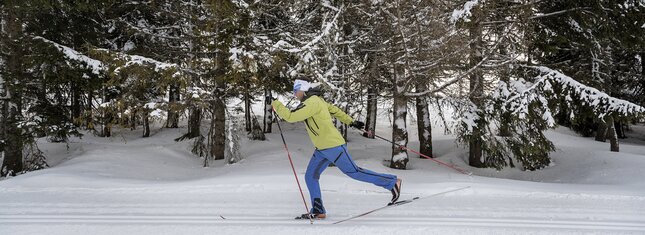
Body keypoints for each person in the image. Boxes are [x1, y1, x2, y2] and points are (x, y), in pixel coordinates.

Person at [270, 79, 402, 220]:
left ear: (303, 90)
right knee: (310, 176)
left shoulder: (312, 102)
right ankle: (318, 209)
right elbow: (334, 110)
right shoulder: (316, 101)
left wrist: (275, 103)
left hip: (333, 146)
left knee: (354, 172)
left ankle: (392, 183)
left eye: (296, 91)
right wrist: (351, 121)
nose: (295, 94)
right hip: (322, 149)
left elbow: (290, 116)